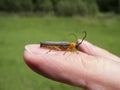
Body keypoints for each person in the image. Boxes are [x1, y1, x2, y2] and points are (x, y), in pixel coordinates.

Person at [23, 40, 120, 90]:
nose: (77, 48)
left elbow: (71, 50)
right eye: (76, 47)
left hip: (55, 45)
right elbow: (66, 49)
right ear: (74, 46)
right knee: (56, 47)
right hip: (49, 45)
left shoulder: (72, 46)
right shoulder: (71, 46)